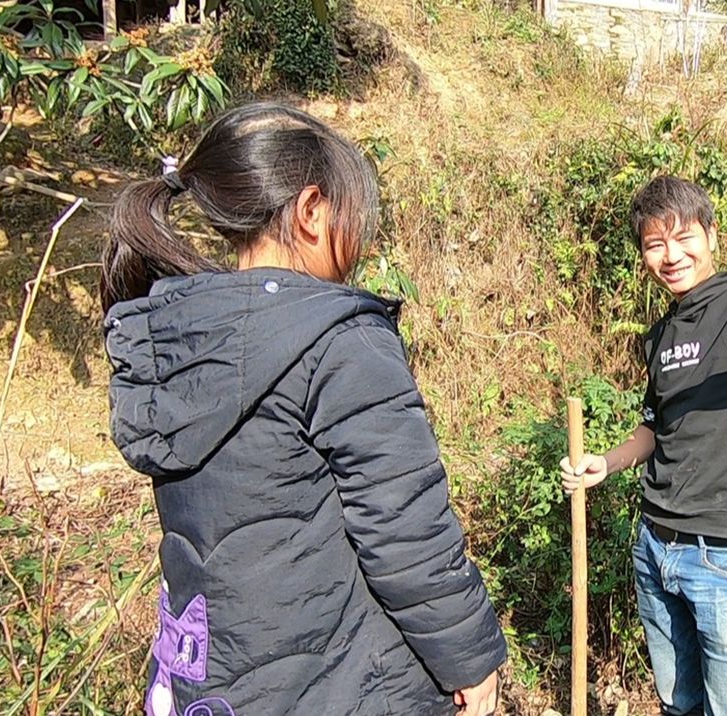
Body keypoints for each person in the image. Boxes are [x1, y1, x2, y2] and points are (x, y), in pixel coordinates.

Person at [100, 102, 506, 716]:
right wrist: (471, 659)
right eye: (357, 218)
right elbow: (405, 531)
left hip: (211, 679)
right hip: (343, 683)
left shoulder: (180, 336)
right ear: (311, 210)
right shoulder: (337, 340)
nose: (361, 242)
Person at [559, 176, 727, 715]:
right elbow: (654, 427)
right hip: (655, 545)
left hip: (723, 558)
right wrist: (604, 464)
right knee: (676, 704)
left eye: (683, 237)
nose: (670, 255)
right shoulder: (659, 335)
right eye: (654, 244)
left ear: (710, 234)